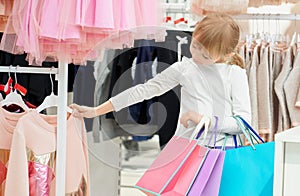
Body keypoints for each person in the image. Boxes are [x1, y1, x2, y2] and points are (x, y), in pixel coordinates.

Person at [70, 13, 251, 145]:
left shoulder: (235, 74)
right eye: (194, 46)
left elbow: (243, 123)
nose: (196, 55)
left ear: (225, 53)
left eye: (205, 55)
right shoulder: (184, 68)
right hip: (186, 150)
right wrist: (96, 111)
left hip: (224, 153)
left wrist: (204, 120)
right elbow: (143, 91)